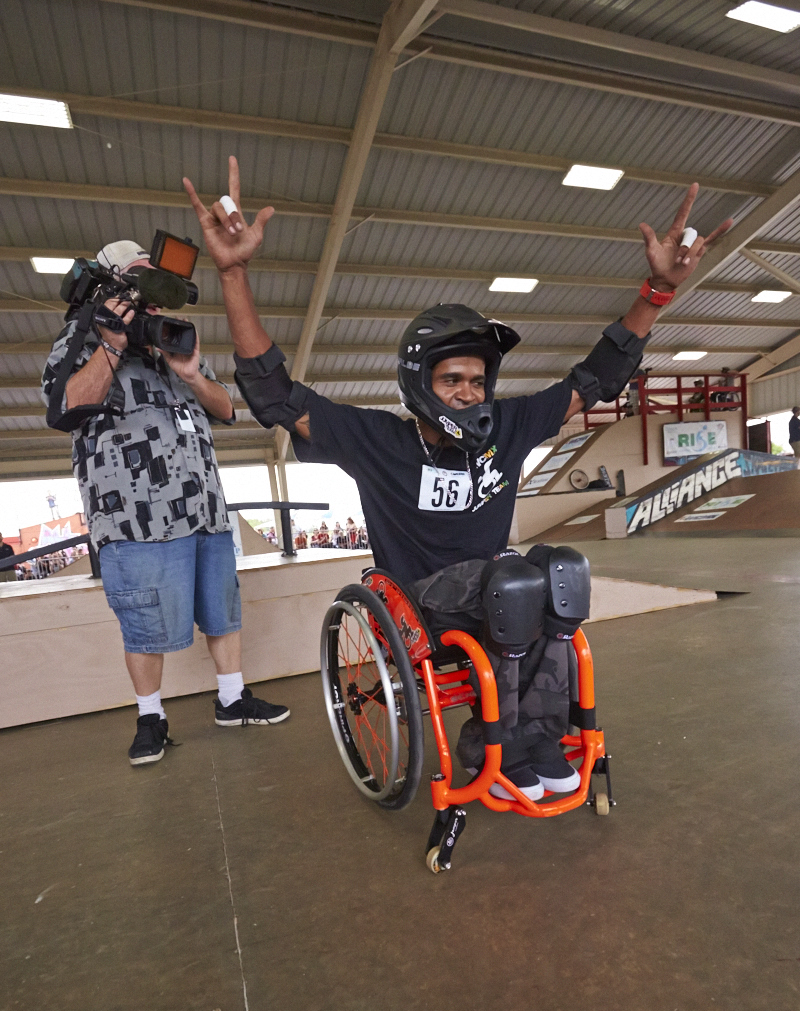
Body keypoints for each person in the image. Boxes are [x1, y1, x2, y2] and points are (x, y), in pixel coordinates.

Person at [185, 159, 731, 799]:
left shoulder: (507, 425)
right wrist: (233, 274)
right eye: (453, 381)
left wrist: (655, 293)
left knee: (561, 575)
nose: (469, 393)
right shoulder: (381, 441)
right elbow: (274, 395)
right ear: (423, 386)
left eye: (477, 380)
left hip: (505, 591)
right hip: (419, 605)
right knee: (517, 580)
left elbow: (596, 381)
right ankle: (488, 756)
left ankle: (536, 745)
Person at [42, 237, 290, 766]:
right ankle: (150, 717)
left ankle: (231, 699)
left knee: (223, 612)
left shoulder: (169, 342)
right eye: (136, 287)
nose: (147, 302)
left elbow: (226, 408)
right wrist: (110, 343)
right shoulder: (79, 340)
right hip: (135, 522)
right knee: (144, 624)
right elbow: (65, 407)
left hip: (204, 510)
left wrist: (193, 374)